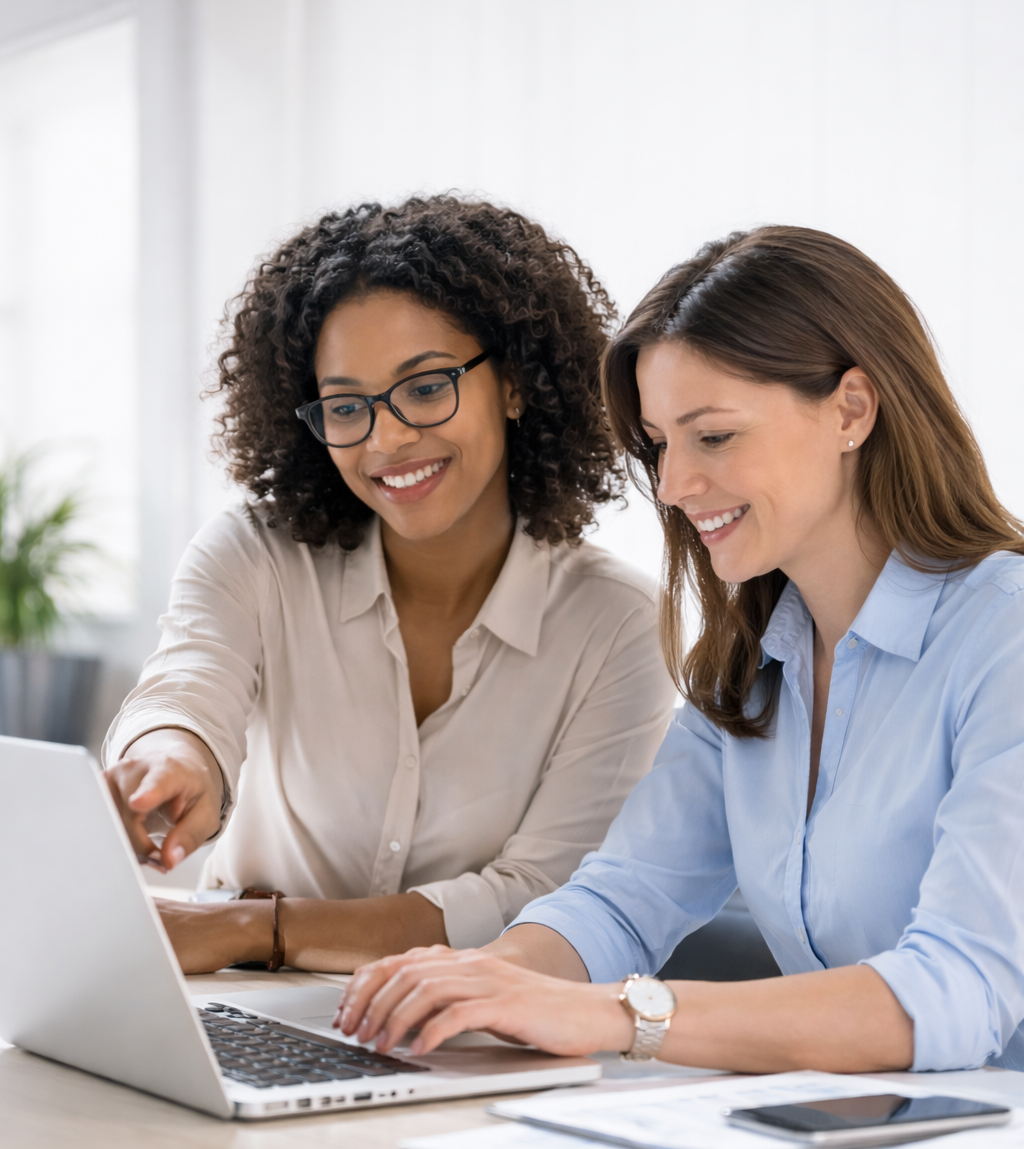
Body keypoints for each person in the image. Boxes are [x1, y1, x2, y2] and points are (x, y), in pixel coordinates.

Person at [336, 225, 1024, 1076]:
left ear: (852, 409)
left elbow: (957, 990)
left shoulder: (1005, 637)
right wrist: (485, 982)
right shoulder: (752, 663)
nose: (671, 487)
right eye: (660, 444)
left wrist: (618, 1013)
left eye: (714, 436)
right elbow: (625, 897)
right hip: (866, 1145)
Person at [103, 197, 676, 974]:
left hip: (469, 1036)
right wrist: (171, 756)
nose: (387, 437)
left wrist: (255, 930)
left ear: (512, 385)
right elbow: (187, 691)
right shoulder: (257, 555)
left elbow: (542, 897)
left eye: (427, 387)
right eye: (346, 405)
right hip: (244, 1008)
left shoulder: (619, 627)